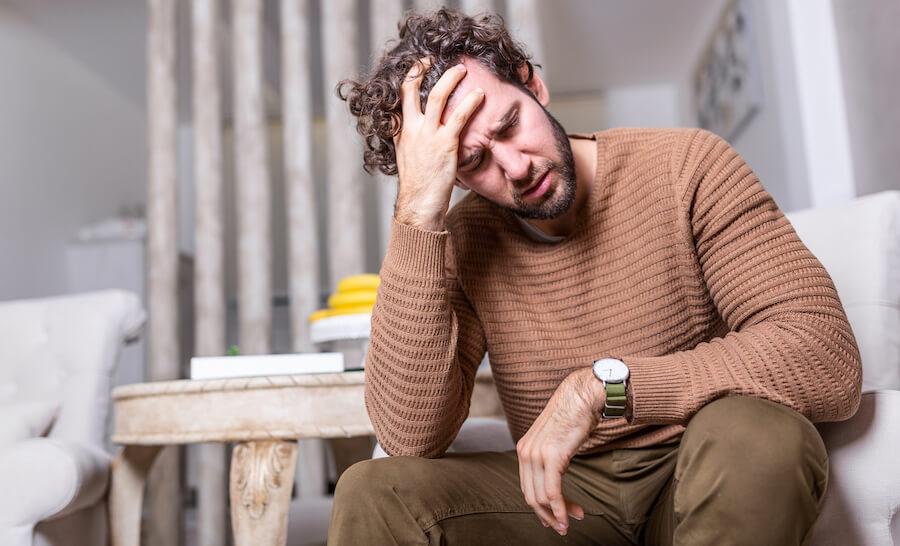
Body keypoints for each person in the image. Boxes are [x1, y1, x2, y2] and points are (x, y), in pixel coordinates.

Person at [327, 8, 862, 545]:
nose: (515, 168)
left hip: (702, 462)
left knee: (760, 434)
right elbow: (410, 436)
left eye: (510, 126)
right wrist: (418, 211)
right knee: (374, 491)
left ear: (532, 82)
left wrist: (601, 389)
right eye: (473, 163)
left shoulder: (687, 167)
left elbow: (824, 354)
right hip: (560, 501)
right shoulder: (465, 238)